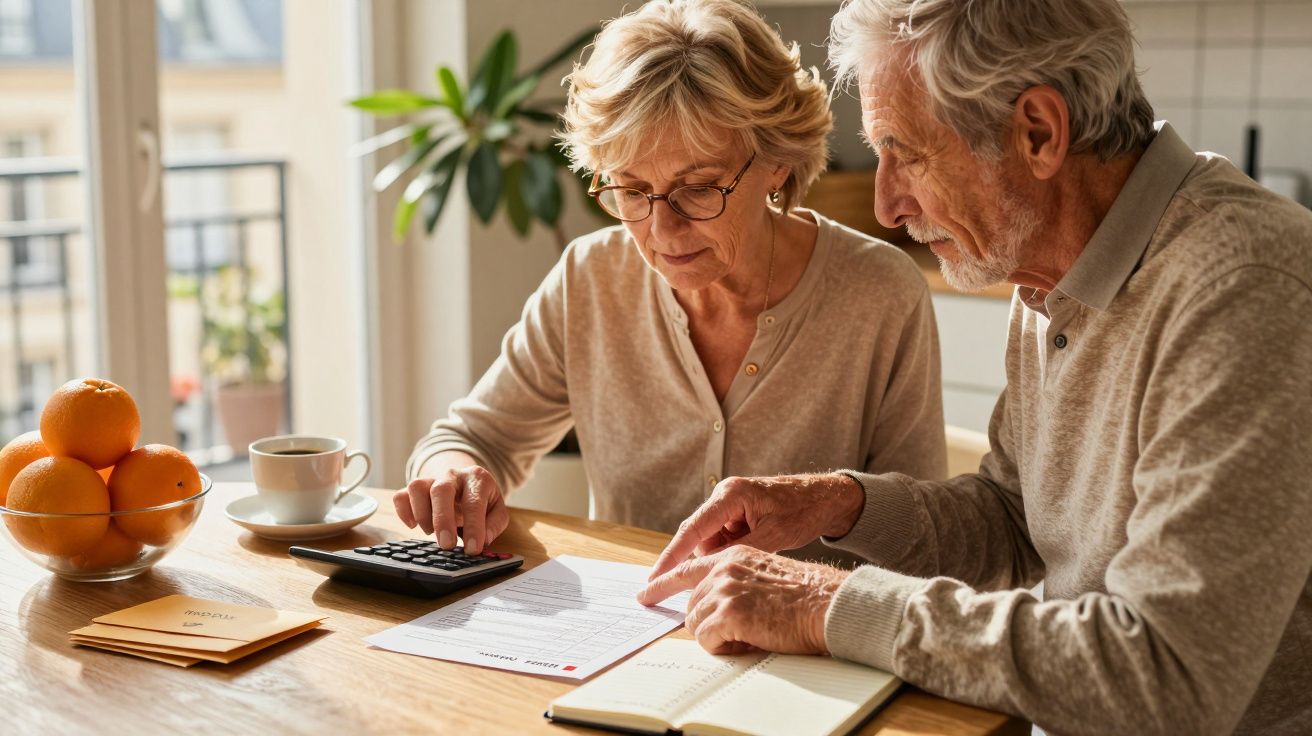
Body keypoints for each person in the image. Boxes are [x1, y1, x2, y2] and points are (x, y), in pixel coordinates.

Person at [637, 0, 1312, 734]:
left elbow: (1166, 675)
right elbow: (1017, 521)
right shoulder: (1051, 272)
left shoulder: (1245, 290)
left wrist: (822, 604)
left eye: (906, 151)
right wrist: (836, 504)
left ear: (1039, 133)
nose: (887, 204)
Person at [393, 0, 946, 563]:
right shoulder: (591, 278)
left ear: (776, 161)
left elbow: (922, 530)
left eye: (699, 188)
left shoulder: (880, 293)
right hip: (624, 631)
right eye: (632, 191)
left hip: (809, 637)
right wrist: (454, 475)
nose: (662, 229)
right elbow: (471, 439)